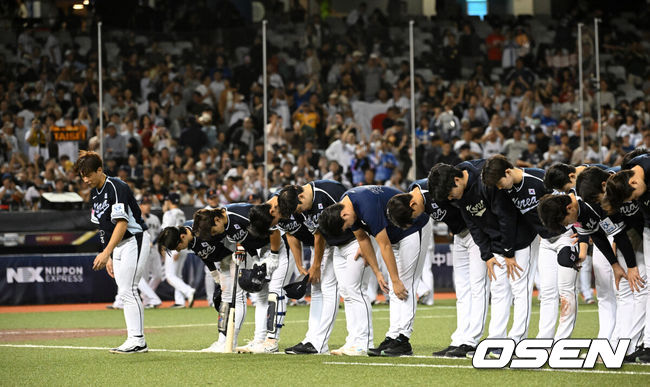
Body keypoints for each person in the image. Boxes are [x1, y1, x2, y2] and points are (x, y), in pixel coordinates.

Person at [428, 161, 537, 357]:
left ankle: (517, 342)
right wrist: (487, 255)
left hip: (519, 239)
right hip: (496, 244)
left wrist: (509, 251)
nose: (452, 198)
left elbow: (507, 217)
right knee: (498, 291)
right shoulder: (460, 193)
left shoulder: (485, 183)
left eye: (451, 194)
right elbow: (473, 224)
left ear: (456, 180)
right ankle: (497, 341)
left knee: (520, 289)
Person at [319, 185, 429, 357]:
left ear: (344, 215)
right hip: (396, 233)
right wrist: (378, 272)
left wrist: (394, 278)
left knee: (405, 284)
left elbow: (384, 244)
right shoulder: (347, 205)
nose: (348, 228)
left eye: (346, 225)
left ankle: (403, 339)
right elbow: (363, 238)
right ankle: (393, 337)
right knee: (394, 289)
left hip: (413, 228)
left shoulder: (366, 206)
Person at [482, 155, 582, 341]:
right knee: (547, 292)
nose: (499, 187)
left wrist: (581, 230)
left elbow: (573, 202)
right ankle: (544, 341)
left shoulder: (539, 180)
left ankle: (562, 342)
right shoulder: (508, 190)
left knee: (566, 292)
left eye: (499, 182)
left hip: (566, 236)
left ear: (508, 171)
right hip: (545, 241)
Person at [386, 177, 489, 358]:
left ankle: (472, 341)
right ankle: (460, 340)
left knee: (477, 287)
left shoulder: (437, 190)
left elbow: (468, 200)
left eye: (413, 216)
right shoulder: (414, 189)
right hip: (459, 236)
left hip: (476, 234)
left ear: (413, 204)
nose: (416, 219)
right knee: (463, 289)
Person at [74, 150, 150, 354]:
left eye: (88, 174)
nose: (86, 179)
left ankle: (138, 340)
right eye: (82, 176)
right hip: (118, 244)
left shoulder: (116, 186)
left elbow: (122, 223)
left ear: (100, 170)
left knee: (129, 289)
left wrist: (106, 252)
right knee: (124, 291)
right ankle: (134, 338)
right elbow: (102, 227)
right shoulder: (94, 193)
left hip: (135, 238)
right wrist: (107, 253)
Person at [275, 180, 354, 355]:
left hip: (346, 241)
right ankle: (311, 338)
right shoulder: (303, 201)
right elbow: (312, 234)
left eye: (299, 208)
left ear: (301, 195)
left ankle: (319, 343)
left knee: (329, 288)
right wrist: (308, 264)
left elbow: (321, 234)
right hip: (327, 243)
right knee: (317, 289)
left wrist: (316, 265)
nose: (300, 212)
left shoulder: (327, 192)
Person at [192, 204, 282, 353]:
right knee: (260, 296)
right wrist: (253, 256)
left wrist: (273, 255)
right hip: (261, 250)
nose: (214, 234)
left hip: (277, 247)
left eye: (214, 230)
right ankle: (259, 340)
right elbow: (247, 241)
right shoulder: (225, 226)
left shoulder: (242, 214)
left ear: (217, 219)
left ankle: (271, 340)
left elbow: (273, 230)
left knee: (275, 292)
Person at [158, 220, 233, 352]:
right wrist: (215, 274)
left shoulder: (203, 228)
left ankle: (230, 340)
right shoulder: (190, 238)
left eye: (177, 247)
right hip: (222, 262)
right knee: (219, 300)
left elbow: (229, 234)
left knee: (231, 300)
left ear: (182, 237)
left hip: (235, 256)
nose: (178, 250)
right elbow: (204, 254)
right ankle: (223, 339)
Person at [605, 153, 650, 362]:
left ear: (634, 182)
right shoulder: (630, 169)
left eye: (633, 197)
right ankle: (647, 344)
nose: (635, 201)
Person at [161, 193, 195, 308]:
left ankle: (188, 291)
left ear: (169, 201)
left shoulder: (169, 213)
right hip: (183, 245)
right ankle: (180, 301)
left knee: (170, 276)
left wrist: (172, 250)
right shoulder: (181, 212)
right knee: (177, 275)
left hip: (174, 246)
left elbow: (167, 233)